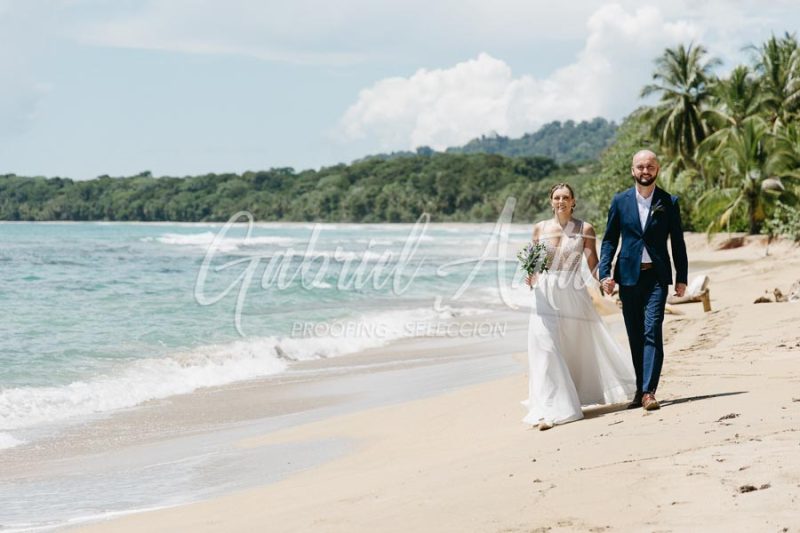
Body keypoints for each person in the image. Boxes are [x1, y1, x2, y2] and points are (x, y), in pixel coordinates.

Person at [522, 183, 637, 431]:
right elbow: (532, 264)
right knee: (547, 348)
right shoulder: (539, 228)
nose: (561, 201)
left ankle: (571, 396)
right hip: (545, 294)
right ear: (550, 201)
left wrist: (604, 280)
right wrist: (529, 276)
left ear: (573, 201)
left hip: (573, 294)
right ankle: (554, 409)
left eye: (565, 197)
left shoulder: (585, 228)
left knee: (573, 349)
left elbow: (593, 263)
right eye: (556, 197)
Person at [599, 150, 688, 412]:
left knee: (652, 330)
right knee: (635, 335)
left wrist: (681, 277)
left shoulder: (668, 201)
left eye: (650, 166)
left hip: (657, 277)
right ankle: (639, 390)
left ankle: (649, 392)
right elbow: (609, 240)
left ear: (657, 169)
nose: (645, 171)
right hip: (627, 277)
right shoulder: (620, 201)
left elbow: (678, 242)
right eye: (640, 167)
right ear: (632, 170)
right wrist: (605, 274)